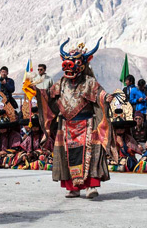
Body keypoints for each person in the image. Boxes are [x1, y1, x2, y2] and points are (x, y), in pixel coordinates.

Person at [37, 37, 114, 199]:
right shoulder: (61, 83)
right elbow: (50, 96)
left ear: (83, 64)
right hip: (66, 126)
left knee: (91, 154)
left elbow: (100, 94)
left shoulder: (89, 82)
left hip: (87, 124)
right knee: (67, 157)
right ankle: (73, 188)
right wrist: (38, 92)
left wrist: (106, 97)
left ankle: (90, 187)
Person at [13, 99, 54, 170]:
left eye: (36, 127)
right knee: (20, 157)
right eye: (33, 127)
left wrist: (36, 153)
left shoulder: (45, 137)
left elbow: (49, 151)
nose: (34, 129)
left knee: (42, 158)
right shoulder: (29, 138)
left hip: (42, 157)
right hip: (31, 158)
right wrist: (25, 154)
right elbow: (22, 149)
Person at [107, 90, 142, 172]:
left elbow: (133, 154)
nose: (119, 130)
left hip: (124, 159)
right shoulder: (109, 137)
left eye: (121, 128)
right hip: (112, 159)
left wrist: (122, 145)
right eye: (117, 128)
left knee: (127, 162)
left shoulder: (128, 138)